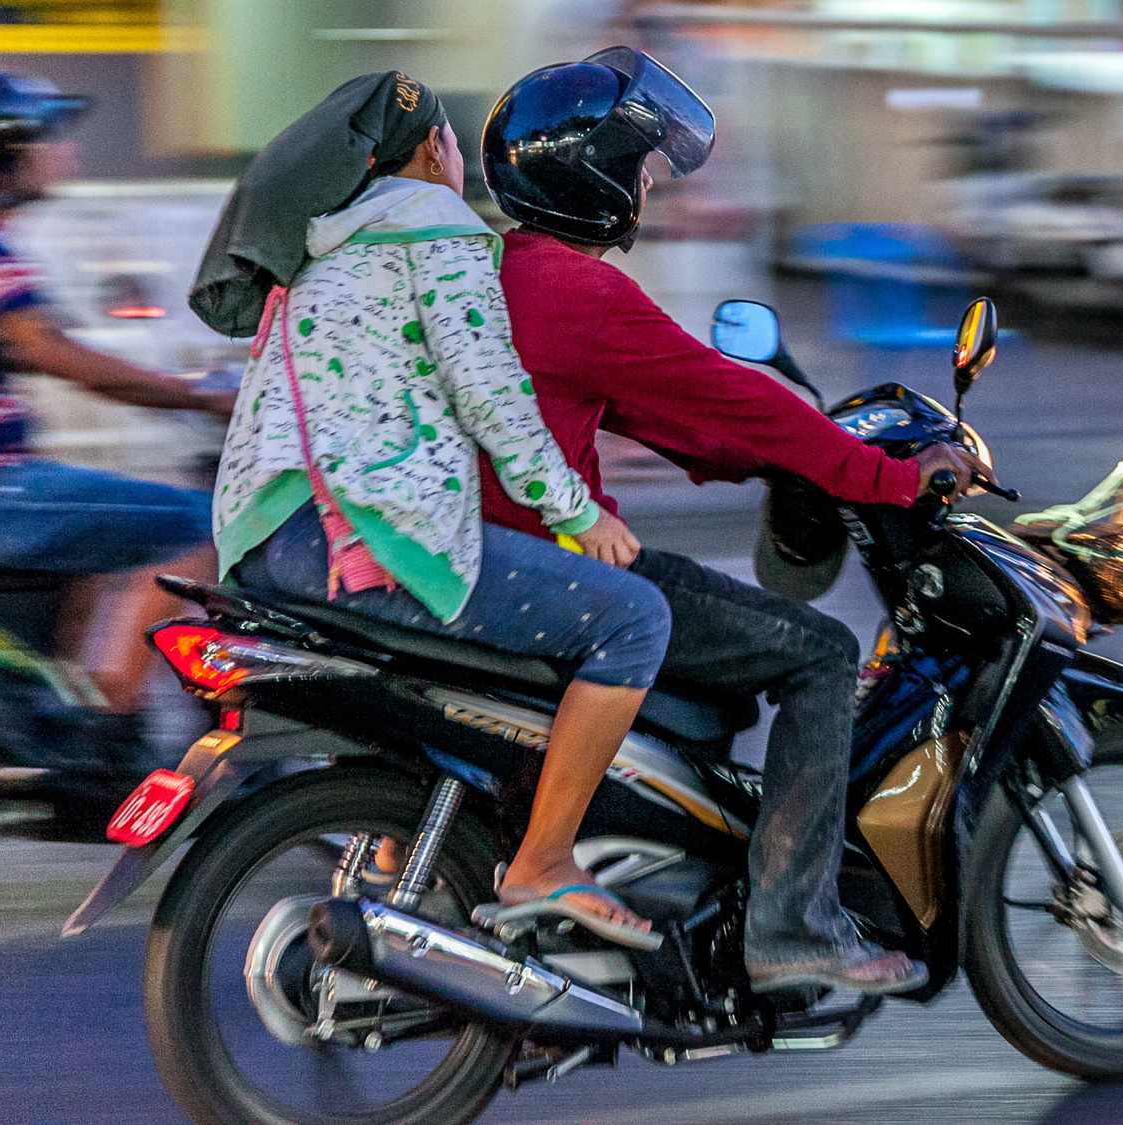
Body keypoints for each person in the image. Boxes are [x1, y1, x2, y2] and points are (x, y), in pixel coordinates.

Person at [477, 49, 986, 994]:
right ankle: (793, 921)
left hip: (492, 560)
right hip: (553, 568)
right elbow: (728, 395)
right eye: (640, 164)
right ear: (594, 176)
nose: (652, 181)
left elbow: (673, 414)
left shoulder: (498, 276)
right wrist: (883, 476)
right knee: (823, 650)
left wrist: (758, 458)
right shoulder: (582, 293)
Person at [195, 71, 669, 947]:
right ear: (425, 153)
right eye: (449, 142)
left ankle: (393, 844)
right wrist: (576, 514)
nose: (459, 162)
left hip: (263, 538)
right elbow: (491, 397)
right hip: (354, 539)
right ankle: (545, 859)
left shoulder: (323, 249)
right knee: (634, 617)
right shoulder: (437, 231)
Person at [0, 73, 231, 734]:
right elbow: (63, 356)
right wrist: (200, 397)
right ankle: (100, 725)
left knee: (106, 527)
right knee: (198, 526)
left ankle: (66, 703)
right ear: (12, 149)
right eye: (51, 135)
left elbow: (49, 346)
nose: (66, 150)